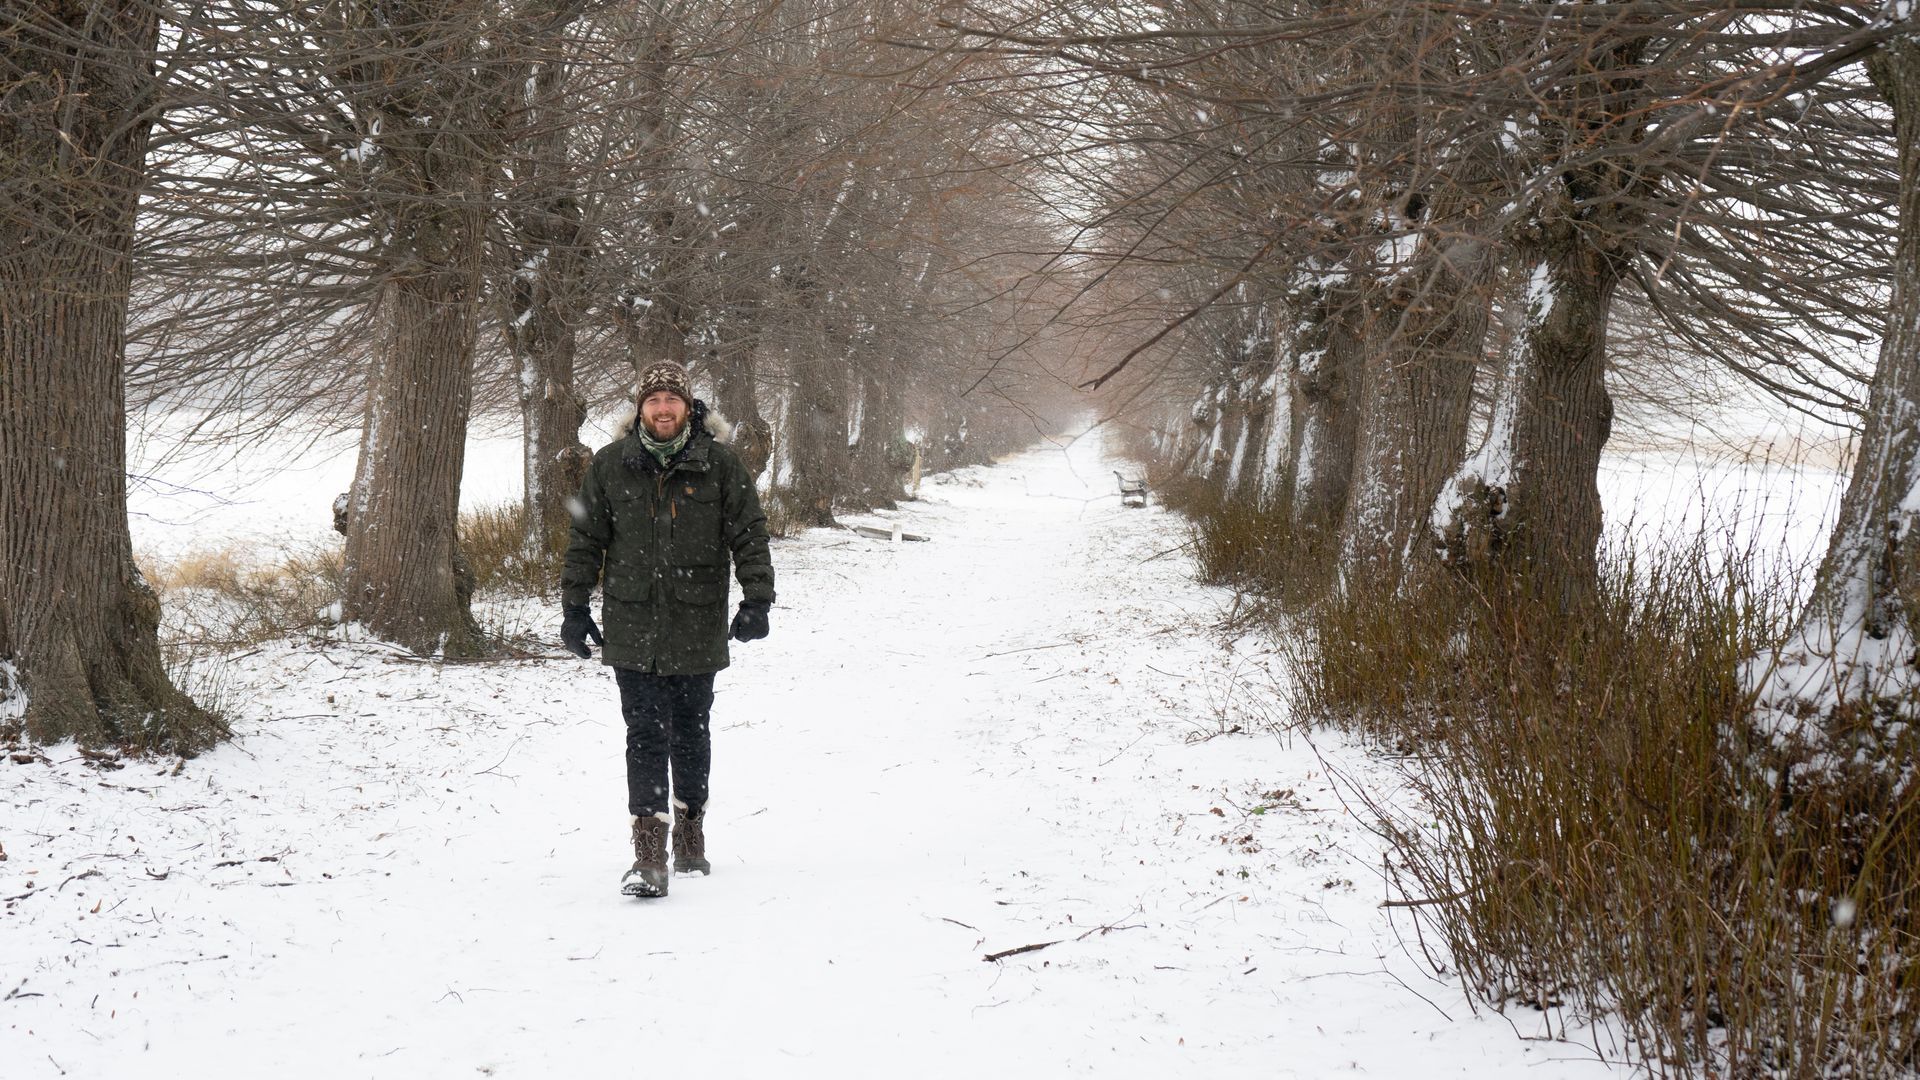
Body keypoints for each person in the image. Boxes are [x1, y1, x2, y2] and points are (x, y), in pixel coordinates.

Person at [560, 360, 774, 898]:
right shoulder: (611, 465)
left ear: (687, 408)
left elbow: (749, 532)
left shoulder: (720, 464)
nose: (662, 409)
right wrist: (574, 607)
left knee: (690, 730)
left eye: (671, 400)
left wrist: (757, 600)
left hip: (697, 621)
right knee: (644, 734)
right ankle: (648, 852)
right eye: (652, 400)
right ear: (640, 408)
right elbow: (585, 539)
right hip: (631, 623)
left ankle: (690, 831)